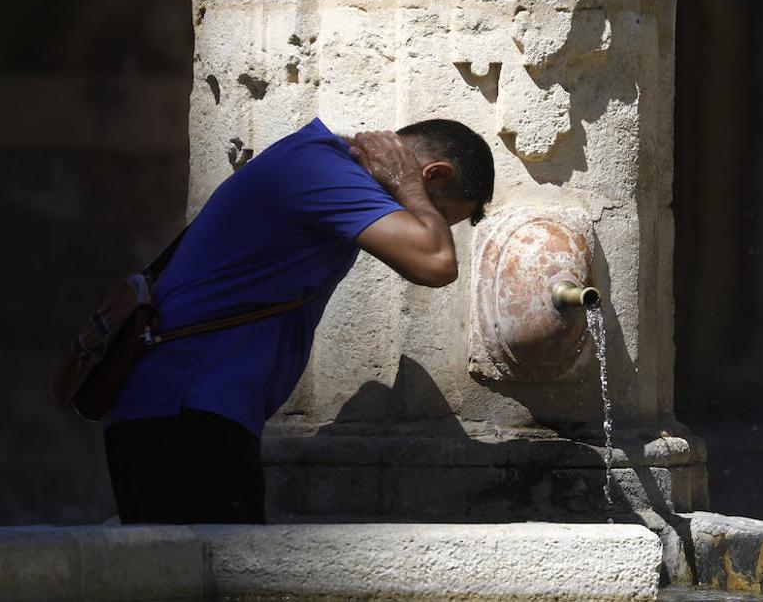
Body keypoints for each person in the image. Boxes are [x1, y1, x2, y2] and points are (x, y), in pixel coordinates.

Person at [103, 117, 494, 524]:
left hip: (184, 409)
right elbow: (436, 262)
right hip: (185, 409)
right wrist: (410, 187)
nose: (421, 217)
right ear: (435, 174)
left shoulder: (314, 162)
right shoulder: (320, 169)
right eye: (437, 212)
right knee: (211, 577)